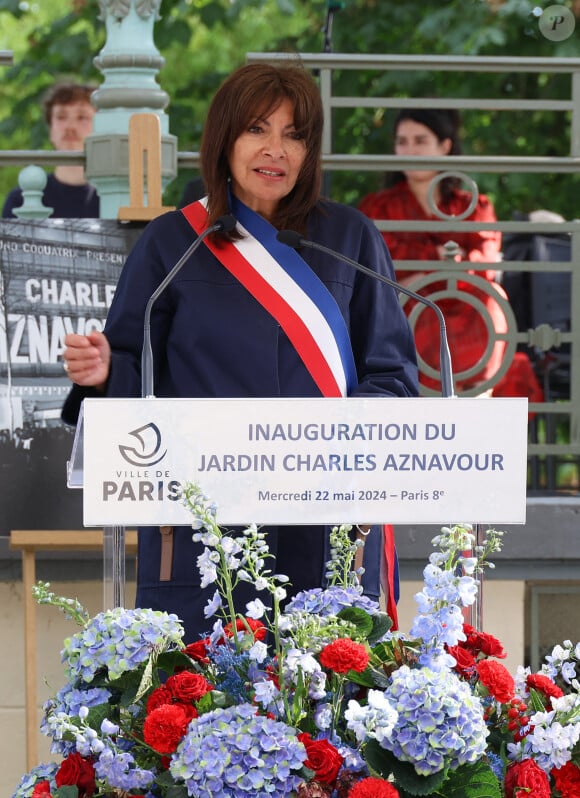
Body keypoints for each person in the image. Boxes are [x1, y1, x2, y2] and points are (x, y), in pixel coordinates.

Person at [61, 62, 419, 643]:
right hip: (205, 529)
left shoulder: (351, 239)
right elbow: (135, 376)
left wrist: (340, 448)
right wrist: (103, 375)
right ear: (224, 138)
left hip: (324, 519)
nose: (275, 149)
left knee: (328, 714)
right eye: (257, 129)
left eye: (294, 134)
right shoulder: (172, 244)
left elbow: (393, 376)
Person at [358, 108, 542, 403]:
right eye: (402, 142)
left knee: (492, 298)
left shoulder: (474, 204)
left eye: (420, 140)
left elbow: (484, 265)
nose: (409, 150)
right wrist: (439, 261)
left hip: (466, 307)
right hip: (407, 308)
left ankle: (475, 402)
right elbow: (379, 267)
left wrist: (422, 272)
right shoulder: (376, 207)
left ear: (444, 147)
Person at [2, 81, 99, 219]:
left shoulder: (119, 199)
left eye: (82, 117)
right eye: (61, 117)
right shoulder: (19, 200)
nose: (70, 127)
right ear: (50, 129)